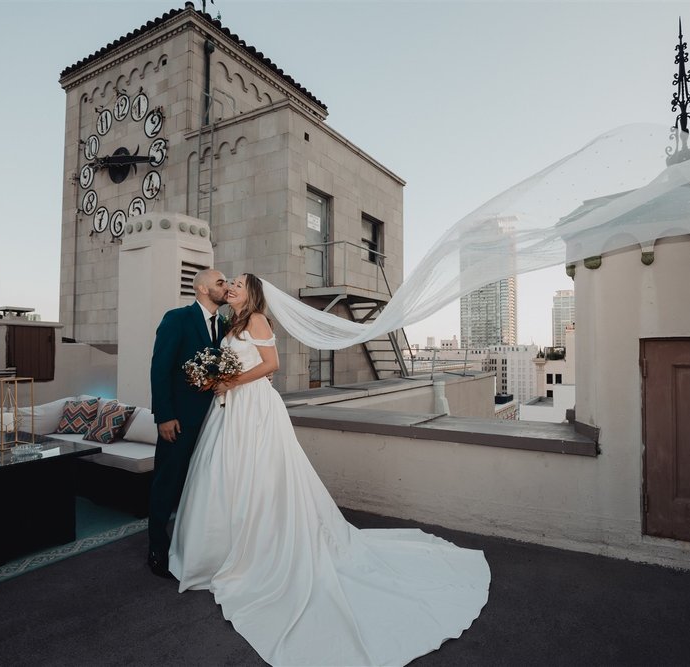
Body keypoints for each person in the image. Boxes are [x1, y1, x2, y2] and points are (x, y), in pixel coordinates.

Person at [169, 274, 490, 666]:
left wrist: (230, 380)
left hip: (254, 408)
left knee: (263, 476)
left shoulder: (256, 320)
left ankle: (259, 552)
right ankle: (219, 550)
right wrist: (219, 379)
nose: (231, 286)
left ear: (251, 293)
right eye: (229, 283)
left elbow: (272, 364)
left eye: (237, 283)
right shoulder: (229, 323)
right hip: (231, 409)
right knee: (224, 475)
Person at [147, 268, 228, 578]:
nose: (226, 287)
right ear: (203, 289)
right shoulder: (177, 318)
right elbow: (160, 369)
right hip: (179, 420)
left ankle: (192, 545)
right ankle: (156, 547)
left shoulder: (224, 325)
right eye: (220, 282)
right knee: (167, 481)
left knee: (201, 484)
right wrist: (164, 416)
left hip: (215, 419)